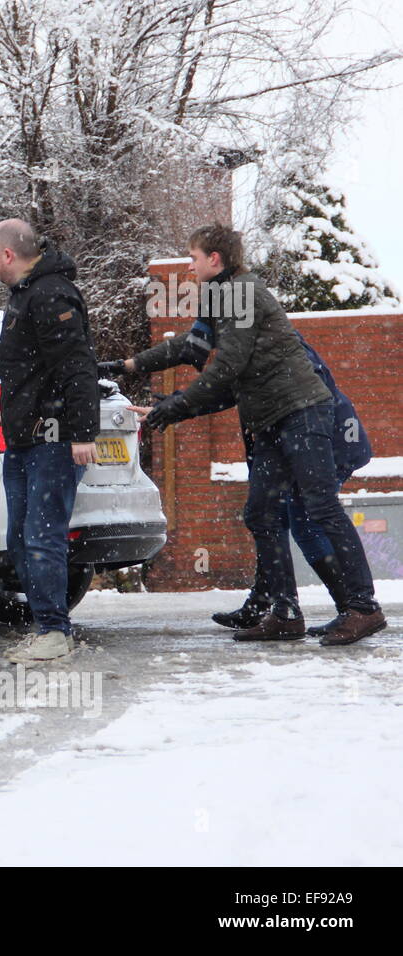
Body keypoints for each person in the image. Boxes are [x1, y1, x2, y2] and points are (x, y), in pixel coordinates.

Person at [136, 224, 385, 646]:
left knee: (320, 506)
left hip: (302, 411)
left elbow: (227, 368)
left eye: (193, 256)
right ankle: (284, 612)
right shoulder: (222, 296)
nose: (190, 264)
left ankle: (363, 608)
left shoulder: (242, 291)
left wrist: (174, 406)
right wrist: (132, 369)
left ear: (215, 258)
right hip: (270, 418)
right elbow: (192, 350)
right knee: (261, 512)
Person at [104, 319, 372, 638]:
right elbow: (212, 375)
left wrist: (174, 404)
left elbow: (228, 386)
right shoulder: (244, 339)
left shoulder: (273, 344)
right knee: (268, 518)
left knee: (302, 522)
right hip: (303, 441)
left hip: (327, 439)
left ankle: (352, 610)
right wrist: (145, 382)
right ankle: (267, 604)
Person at [0, 219, 100, 664]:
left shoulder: (51, 295)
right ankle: (44, 627)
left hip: (51, 440)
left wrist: (81, 433)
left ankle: (54, 631)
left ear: (9, 255)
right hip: (22, 441)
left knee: (41, 536)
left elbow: (76, 365)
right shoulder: (24, 295)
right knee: (19, 538)